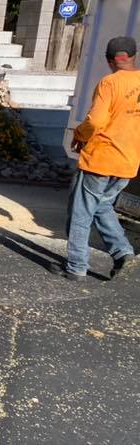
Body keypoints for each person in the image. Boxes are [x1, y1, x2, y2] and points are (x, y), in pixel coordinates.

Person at [51, 35, 140, 281]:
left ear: (110, 60)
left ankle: (76, 266)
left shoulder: (110, 83)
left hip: (101, 159)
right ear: (133, 57)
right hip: (127, 163)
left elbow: (96, 121)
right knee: (102, 205)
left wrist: (79, 133)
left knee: (81, 212)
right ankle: (123, 252)